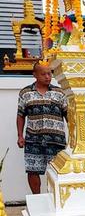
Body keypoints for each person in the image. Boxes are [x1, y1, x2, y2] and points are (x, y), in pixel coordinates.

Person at [16, 61, 68, 194]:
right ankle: (37, 199)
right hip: (34, 140)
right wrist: (20, 136)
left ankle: (57, 198)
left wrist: (74, 138)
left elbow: (68, 116)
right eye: (43, 74)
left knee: (59, 171)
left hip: (56, 141)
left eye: (49, 73)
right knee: (33, 170)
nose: (47, 76)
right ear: (35, 75)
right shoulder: (25, 93)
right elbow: (21, 115)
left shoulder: (59, 93)